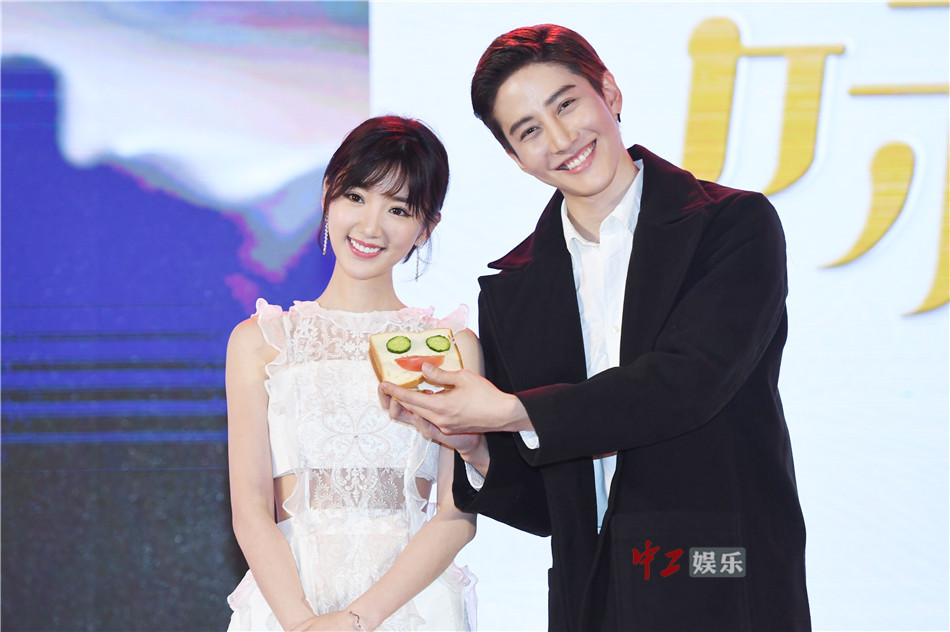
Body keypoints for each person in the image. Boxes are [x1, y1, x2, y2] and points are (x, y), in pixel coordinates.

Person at [379, 25, 810, 631]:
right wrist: (474, 442)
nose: (561, 140)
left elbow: (689, 383)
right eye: (529, 130)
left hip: (719, 578)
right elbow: (548, 507)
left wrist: (510, 412)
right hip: (592, 597)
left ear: (609, 92)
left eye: (566, 104)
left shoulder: (731, 226)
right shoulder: (513, 289)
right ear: (515, 158)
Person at [226, 115, 479, 632]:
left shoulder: (450, 345)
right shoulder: (262, 340)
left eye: (398, 209)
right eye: (356, 197)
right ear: (328, 194)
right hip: (290, 598)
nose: (370, 227)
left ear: (427, 226)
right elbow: (250, 509)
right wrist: (303, 624)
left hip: (412, 604)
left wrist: (358, 620)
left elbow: (456, 514)